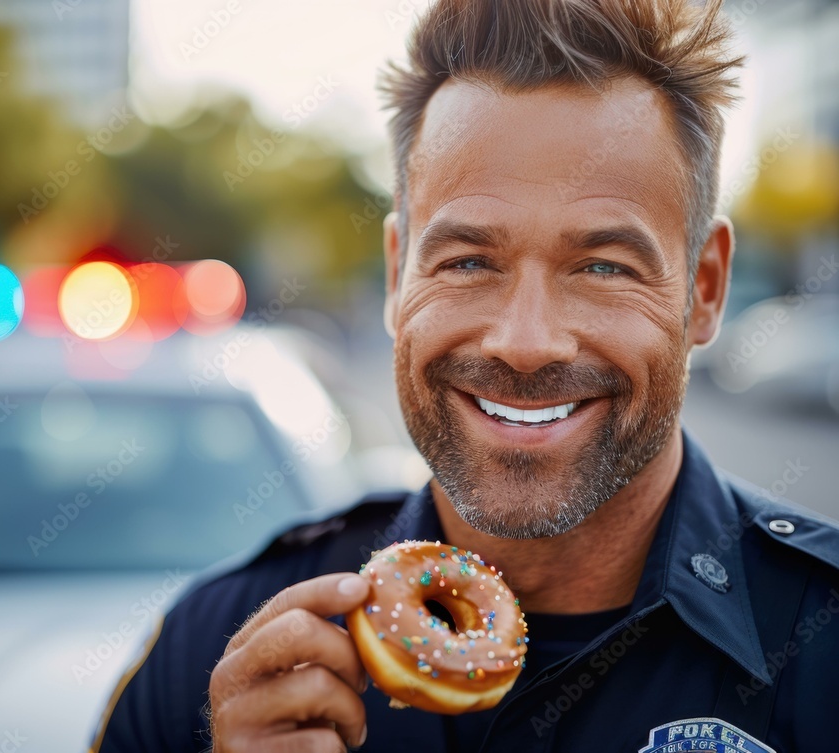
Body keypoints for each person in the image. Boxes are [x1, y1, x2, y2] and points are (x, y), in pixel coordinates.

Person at [91, 0, 839, 750]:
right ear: (396, 274)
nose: (526, 342)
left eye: (604, 266)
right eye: (469, 261)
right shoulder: (208, 656)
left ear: (703, 289)